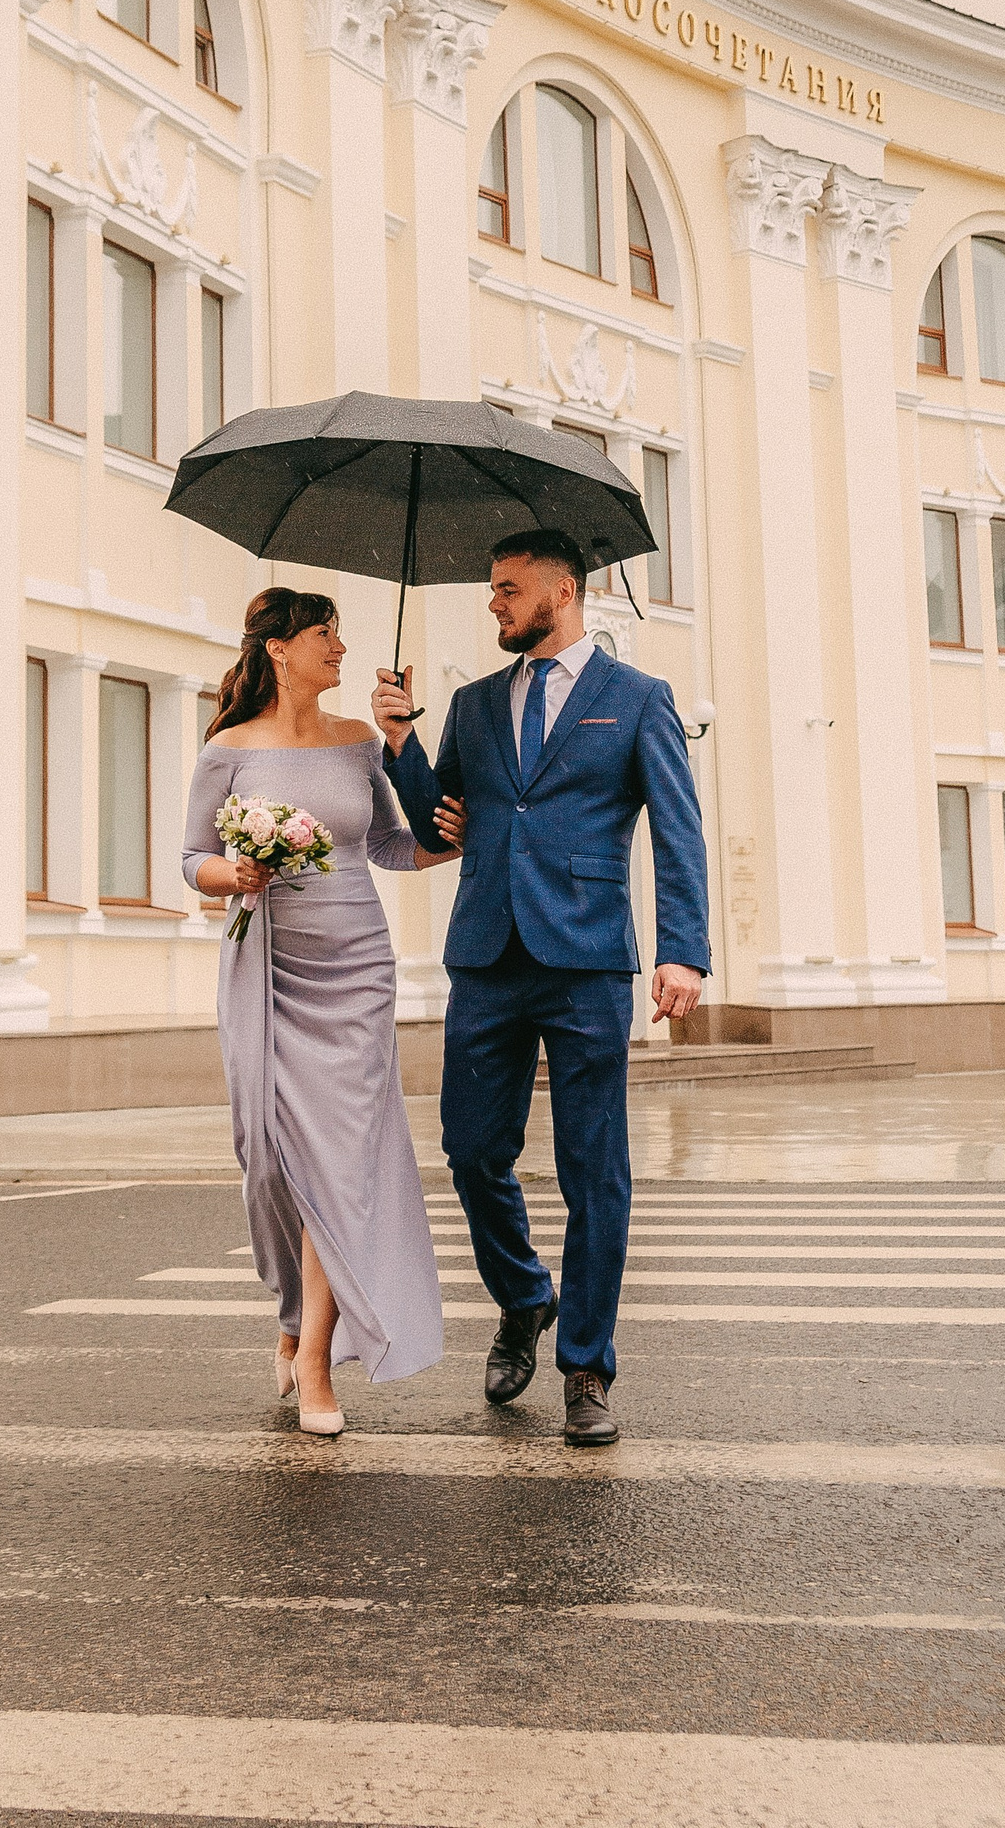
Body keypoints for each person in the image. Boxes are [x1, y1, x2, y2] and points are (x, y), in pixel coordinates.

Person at [374, 528, 710, 1448]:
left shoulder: (638, 698)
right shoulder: (476, 703)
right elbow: (437, 824)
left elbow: (678, 829)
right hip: (488, 954)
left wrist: (683, 950)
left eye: (508, 587)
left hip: (588, 958)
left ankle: (587, 1365)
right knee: (471, 1151)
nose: (494, 601)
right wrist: (402, 740)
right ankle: (525, 1295)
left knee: (593, 1169)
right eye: (492, 588)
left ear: (563, 591)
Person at [184, 584, 466, 1435]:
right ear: (279, 648)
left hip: (357, 969)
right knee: (270, 1160)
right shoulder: (228, 747)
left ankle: (316, 1359)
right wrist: (235, 873)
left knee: (338, 1165)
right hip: (268, 965)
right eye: (324, 634)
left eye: (339, 634)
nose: (339, 648)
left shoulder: (359, 743)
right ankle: (293, 1311)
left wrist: (446, 838)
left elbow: (387, 845)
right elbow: (192, 857)